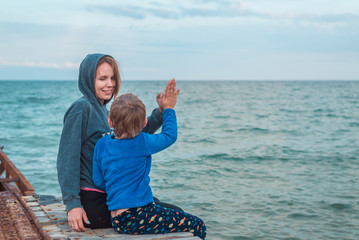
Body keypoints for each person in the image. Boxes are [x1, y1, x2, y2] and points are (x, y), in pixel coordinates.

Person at [57, 53, 182, 232]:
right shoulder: (81, 109)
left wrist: (161, 112)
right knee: (174, 217)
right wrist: (72, 204)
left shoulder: (102, 110)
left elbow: (133, 139)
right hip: (92, 202)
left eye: (113, 78)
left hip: (113, 197)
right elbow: (66, 159)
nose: (110, 84)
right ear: (87, 79)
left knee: (163, 207)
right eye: (102, 79)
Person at [92, 92, 206, 239]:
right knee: (197, 224)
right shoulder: (142, 142)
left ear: (110, 121)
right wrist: (168, 109)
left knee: (175, 211)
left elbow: (99, 181)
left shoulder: (102, 144)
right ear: (145, 122)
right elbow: (169, 135)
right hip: (138, 216)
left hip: (117, 219)